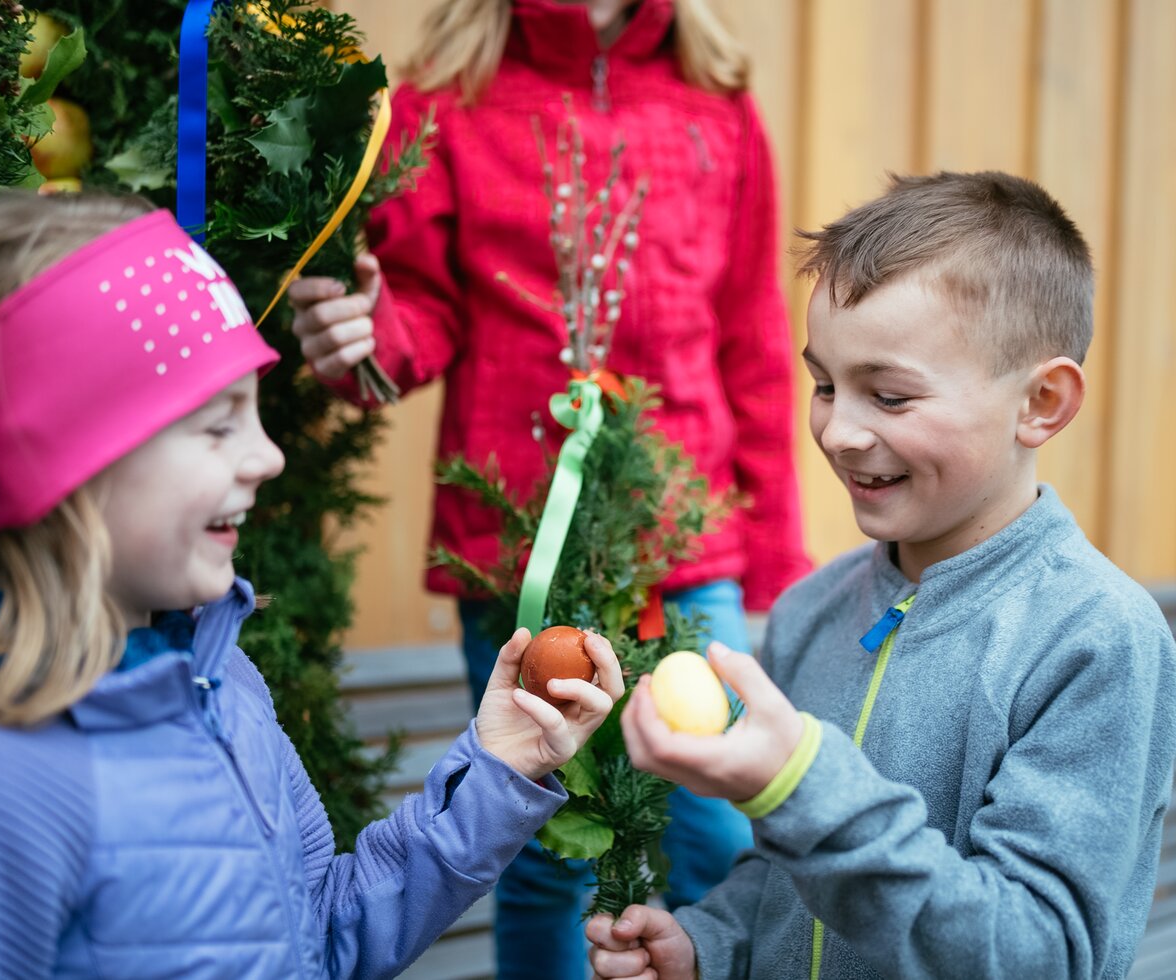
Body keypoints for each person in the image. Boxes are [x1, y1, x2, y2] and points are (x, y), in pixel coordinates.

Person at [0, 192, 624, 980]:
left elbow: (321, 936)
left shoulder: (222, 683)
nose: (267, 456)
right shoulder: (3, 788)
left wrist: (497, 768)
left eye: (254, 416)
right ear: (61, 467)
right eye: (217, 425)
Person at [288, 0, 811, 973]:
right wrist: (364, 339)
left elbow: (748, 335)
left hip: (688, 545)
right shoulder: (450, 100)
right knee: (539, 850)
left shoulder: (716, 101)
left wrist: (773, 548)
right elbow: (418, 309)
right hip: (515, 544)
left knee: (722, 836)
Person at [585, 170, 1176, 979]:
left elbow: (1040, 952)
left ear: (1040, 402)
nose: (840, 432)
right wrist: (711, 946)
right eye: (825, 385)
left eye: (890, 397)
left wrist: (801, 783)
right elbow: (784, 875)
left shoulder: (1097, 639)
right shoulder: (810, 613)